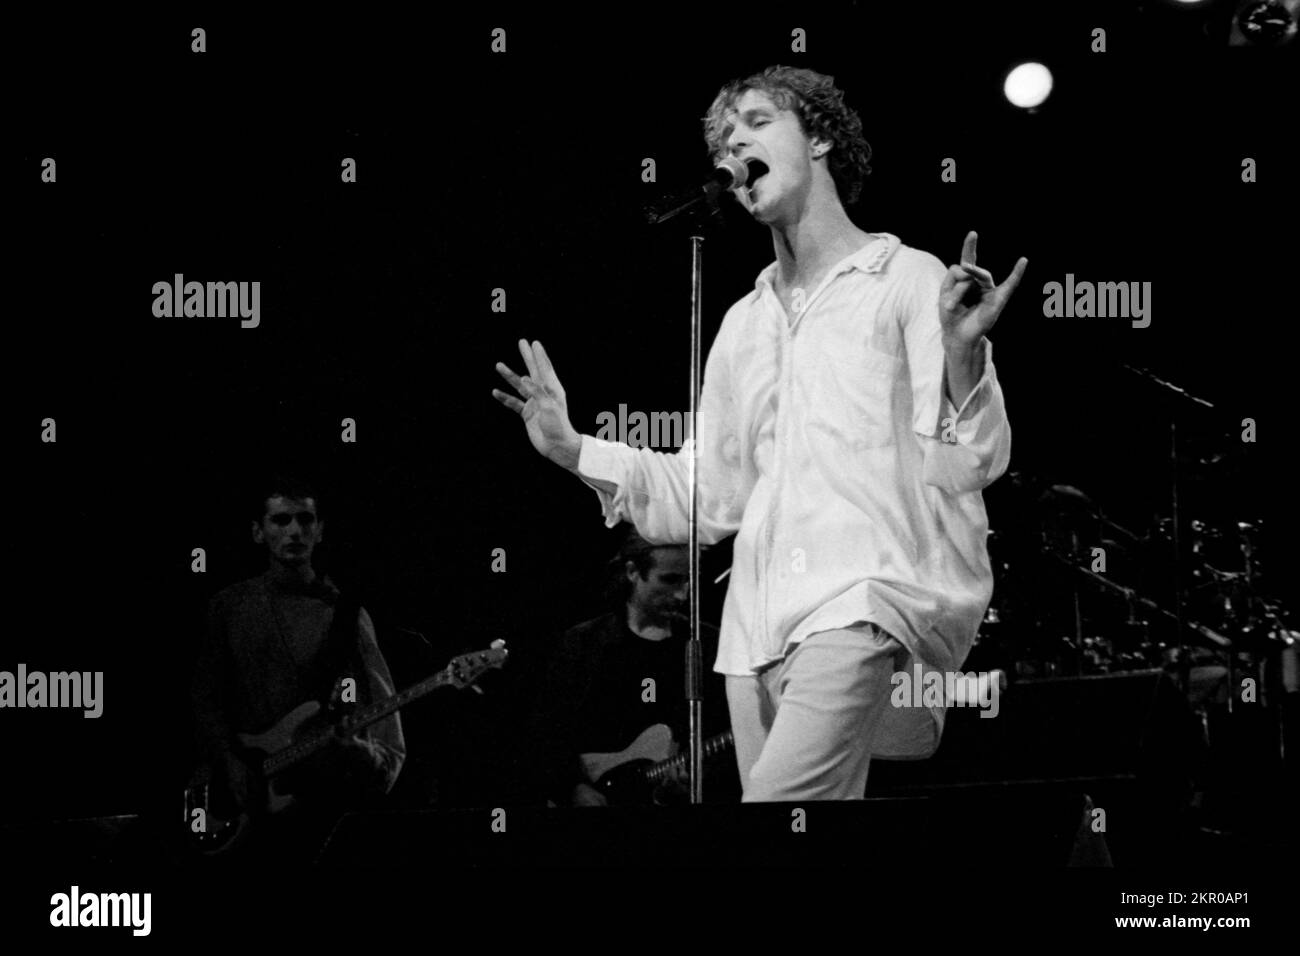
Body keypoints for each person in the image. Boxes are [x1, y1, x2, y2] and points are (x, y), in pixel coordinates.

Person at [493, 65, 1026, 801]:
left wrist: (965, 355)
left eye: (755, 122)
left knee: (775, 812)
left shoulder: (903, 277)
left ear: (821, 139)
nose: (734, 144)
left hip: (865, 603)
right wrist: (574, 447)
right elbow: (708, 493)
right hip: (757, 634)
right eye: (722, 136)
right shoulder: (744, 323)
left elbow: (969, 463)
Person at [190, 475, 406, 855]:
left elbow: (386, 729)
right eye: (281, 520)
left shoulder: (346, 616)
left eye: (305, 520)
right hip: (241, 797)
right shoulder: (229, 607)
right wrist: (228, 759)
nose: (294, 531)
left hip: (317, 802)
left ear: (320, 531)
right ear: (258, 532)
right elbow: (205, 696)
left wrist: (362, 753)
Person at [534, 530, 737, 807]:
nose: (682, 593)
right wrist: (572, 786)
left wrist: (690, 787)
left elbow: (722, 734)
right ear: (632, 572)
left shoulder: (706, 644)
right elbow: (549, 728)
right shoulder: (584, 642)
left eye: (689, 580)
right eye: (669, 580)